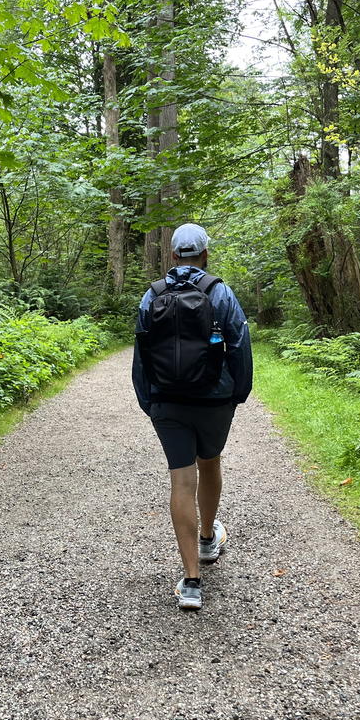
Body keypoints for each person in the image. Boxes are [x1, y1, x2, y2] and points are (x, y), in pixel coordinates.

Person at [132, 223, 253, 610]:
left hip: (167, 400)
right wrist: (238, 393)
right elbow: (239, 345)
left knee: (181, 480)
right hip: (214, 400)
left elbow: (141, 356)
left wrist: (149, 402)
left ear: (171, 256)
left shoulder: (151, 296)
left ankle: (191, 583)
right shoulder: (220, 293)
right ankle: (206, 541)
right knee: (210, 462)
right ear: (205, 254)